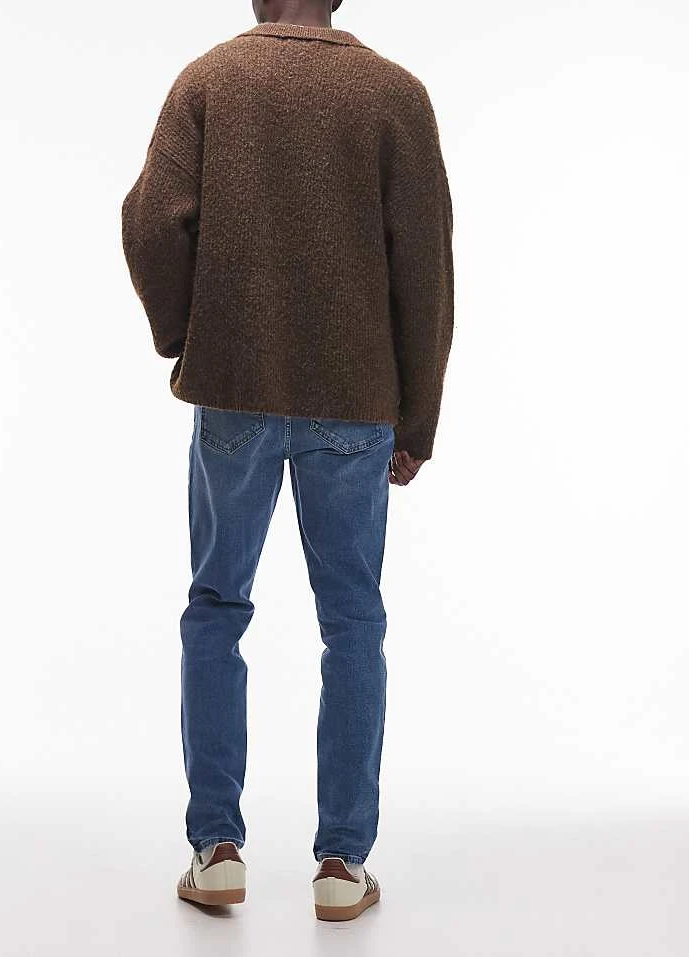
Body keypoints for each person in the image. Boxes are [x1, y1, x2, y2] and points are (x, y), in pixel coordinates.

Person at [121, 0, 453, 922]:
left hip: (234, 387)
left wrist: (188, 335)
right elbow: (425, 270)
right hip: (356, 400)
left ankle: (216, 850)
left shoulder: (210, 80)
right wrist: (417, 418)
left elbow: (149, 225)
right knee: (353, 621)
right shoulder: (395, 94)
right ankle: (342, 864)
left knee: (216, 608)